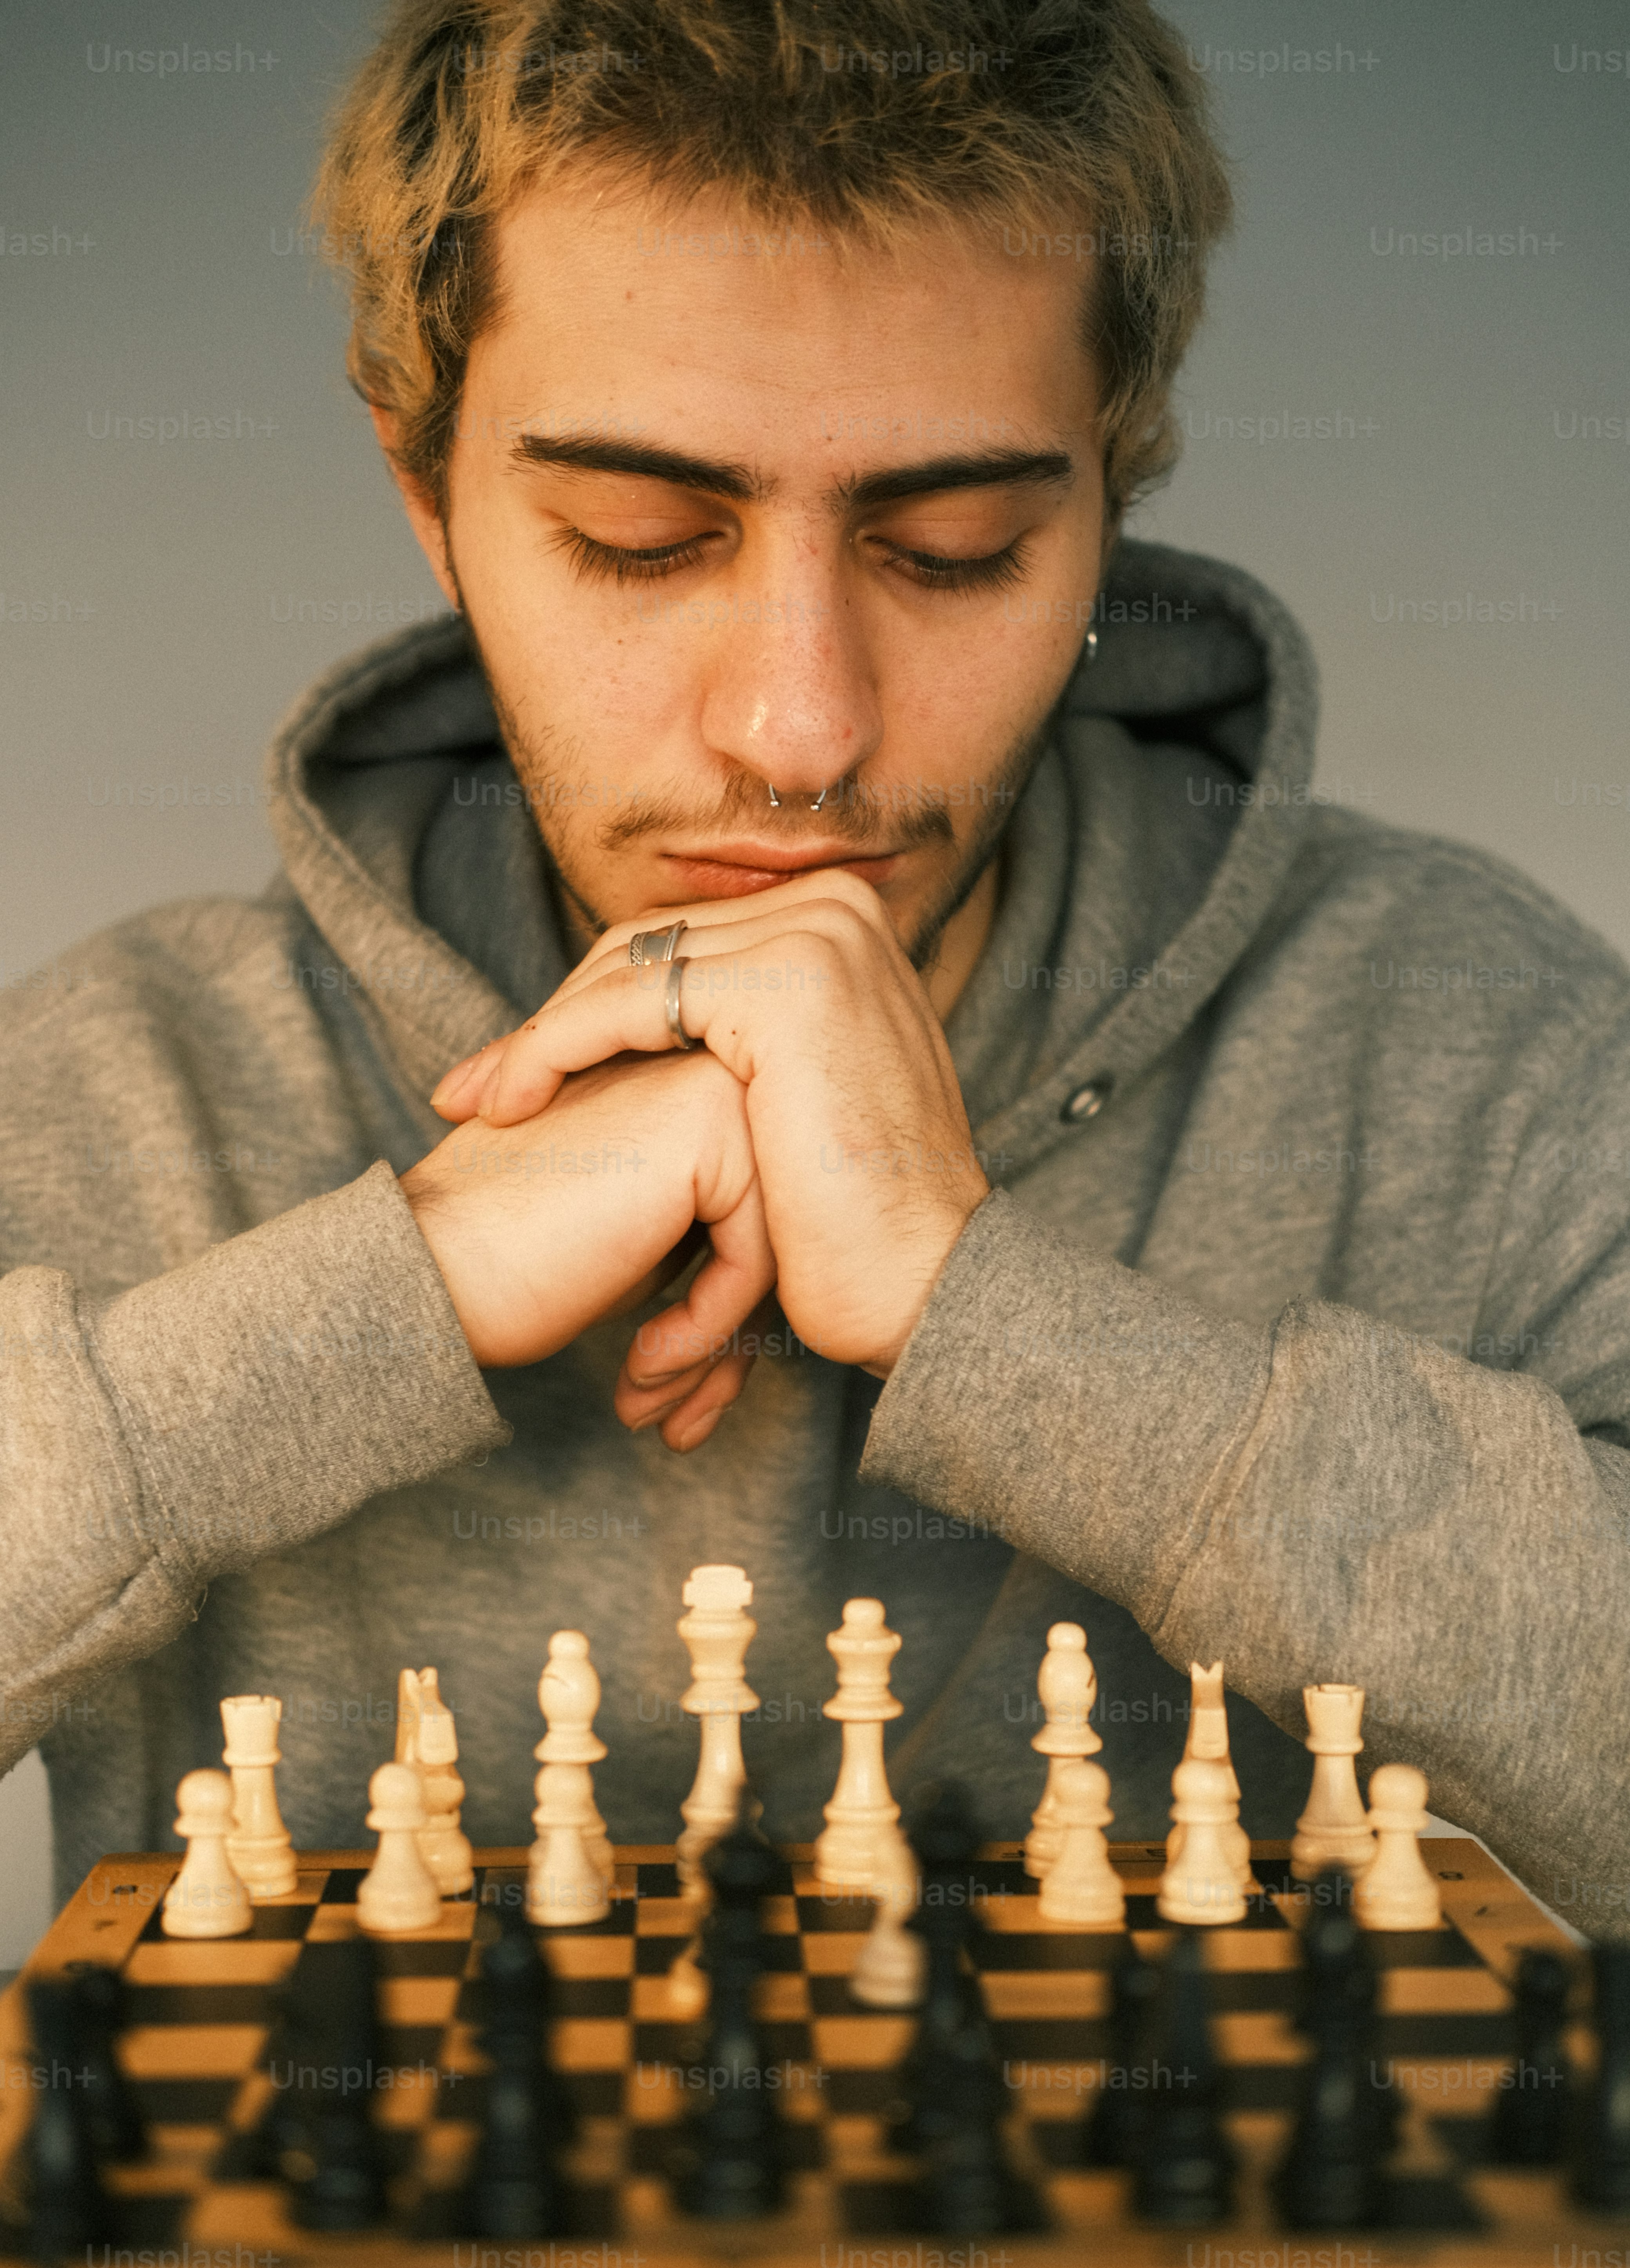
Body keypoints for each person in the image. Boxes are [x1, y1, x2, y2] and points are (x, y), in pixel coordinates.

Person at [4, 0, 1627, 1936]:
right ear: (425, 490)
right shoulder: (120, 1084)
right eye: (640, 540)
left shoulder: (1476, 1043)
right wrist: (380, 1295)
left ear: (1108, 498)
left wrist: (994, 1314)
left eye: (948, 547)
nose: (798, 730)